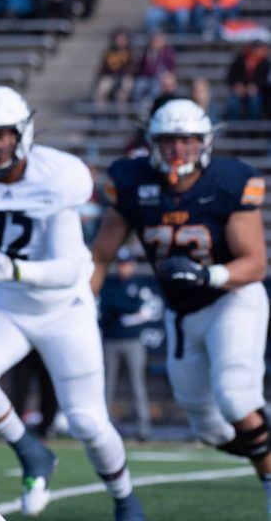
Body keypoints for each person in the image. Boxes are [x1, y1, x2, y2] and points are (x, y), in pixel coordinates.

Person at [0, 86, 144, 520]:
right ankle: (31, 450)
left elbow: (71, 268)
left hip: (62, 308)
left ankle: (125, 498)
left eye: (2, 135)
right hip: (1, 306)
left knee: (88, 421)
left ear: (23, 133)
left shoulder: (59, 176)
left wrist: (17, 270)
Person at [90, 99, 271, 518]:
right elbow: (100, 255)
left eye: (188, 142)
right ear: (152, 143)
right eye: (170, 142)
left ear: (205, 143)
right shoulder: (131, 181)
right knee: (208, 427)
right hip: (182, 312)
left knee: (234, 394)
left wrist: (208, 275)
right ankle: (263, 442)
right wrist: (81, 305)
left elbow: (256, 263)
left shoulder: (229, 181)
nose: (178, 151)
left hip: (232, 299)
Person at [99, 247, 161, 442]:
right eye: (121, 264)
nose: (123, 268)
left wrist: (123, 307)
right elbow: (108, 306)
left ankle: (143, 429)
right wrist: (124, 307)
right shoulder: (109, 283)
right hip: (111, 339)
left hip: (133, 339)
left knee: (137, 384)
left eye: (127, 264)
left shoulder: (139, 283)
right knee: (107, 384)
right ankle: (103, 427)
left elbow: (136, 306)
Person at [225, 41, 269, 121]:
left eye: (257, 48)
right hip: (240, 91)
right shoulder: (240, 59)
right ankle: (233, 128)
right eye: (254, 47)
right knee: (233, 102)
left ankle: (253, 129)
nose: (255, 50)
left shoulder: (265, 62)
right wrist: (237, 84)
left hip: (259, 94)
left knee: (254, 102)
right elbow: (230, 77)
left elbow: (265, 81)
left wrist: (256, 86)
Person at [93, 28, 135, 109]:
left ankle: (121, 113)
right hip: (111, 77)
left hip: (124, 77)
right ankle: (100, 113)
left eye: (123, 39)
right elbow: (103, 68)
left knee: (124, 90)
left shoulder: (130, 53)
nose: (120, 41)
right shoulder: (109, 52)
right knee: (100, 90)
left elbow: (132, 68)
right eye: (118, 39)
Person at [132, 31, 176, 104]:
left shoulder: (167, 52)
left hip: (159, 78)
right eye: (154, 40)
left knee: (156, 87)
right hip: (146, 77)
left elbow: (172, 68)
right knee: (138, 86)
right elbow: (142, 66)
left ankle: (151, 105)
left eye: (158, 40)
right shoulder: (146, 51)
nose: (156, 42)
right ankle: (138, 108)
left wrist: (168, 75)